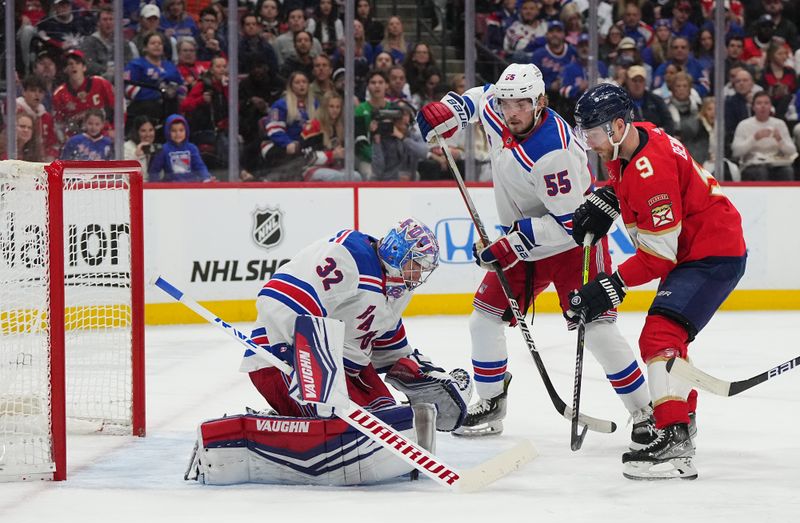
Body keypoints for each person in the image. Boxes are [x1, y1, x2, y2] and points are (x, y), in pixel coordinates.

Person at [415, 64, 653, 448]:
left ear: (540, 102)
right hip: (527, 237)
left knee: (597, 330)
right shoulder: (501, 108)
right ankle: (491, 402)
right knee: (484, 318)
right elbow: (482, 98)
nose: (512, 112)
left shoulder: (553, 151)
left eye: (522, 104)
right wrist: (453, 108)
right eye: (508, 103)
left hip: (577, 244)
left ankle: (645, 412)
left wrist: (510, 243)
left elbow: (570, 226)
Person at [570, 83, 747, 480]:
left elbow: (658, 255)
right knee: (669, 340)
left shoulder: (651, 171)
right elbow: (627, 180)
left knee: (659, 337)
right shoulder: (635, 138)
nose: (589, 142)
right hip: (699, 250)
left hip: (709, 256)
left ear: (617, 126)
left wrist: (608, 286)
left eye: (593, 133)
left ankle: (673, 439)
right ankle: (681, 420)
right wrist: (608, 199)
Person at [234, 218, 470, 483]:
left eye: (424, 268)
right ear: (396, 250)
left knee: (390, 427)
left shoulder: (398, 286)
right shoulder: (348, 256)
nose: (418, 274)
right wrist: (300, 356)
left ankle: (299, 417)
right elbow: (278, 298)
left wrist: (419, 373)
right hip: (283, 359)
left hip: (349, 369)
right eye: (416, 264)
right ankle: (280, 426)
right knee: (349, 429)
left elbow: (387, 343)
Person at [731, 91, 796, 181]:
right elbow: (736, 152)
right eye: (759, 103)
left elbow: (792, 151)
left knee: (787, 171)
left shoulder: (779, 124)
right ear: (753, 107)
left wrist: (780, 140)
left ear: (770, 107)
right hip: (752, 164)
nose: (763, 106)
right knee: (761, 172)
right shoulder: (744, 125)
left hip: (776, 163)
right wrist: (754, 138)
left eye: (766, 103)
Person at [148, 114, 211, 182]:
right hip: (171, 188)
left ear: (186, 131)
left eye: (181, 130)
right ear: (167, 132)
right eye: (174, 131)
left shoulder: (192, 148)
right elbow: (154, 171)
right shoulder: (163, 149)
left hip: (191, 187)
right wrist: (156, 186)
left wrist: (206, 178)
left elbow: (200, 166)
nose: (178, 134)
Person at [123, 115, 159, 181]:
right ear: (136, 132)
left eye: (151, 130)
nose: (148, 134)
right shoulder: (126, 147)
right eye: (143, 131)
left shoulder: (154, 148)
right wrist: (136, 156)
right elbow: (124, 177)